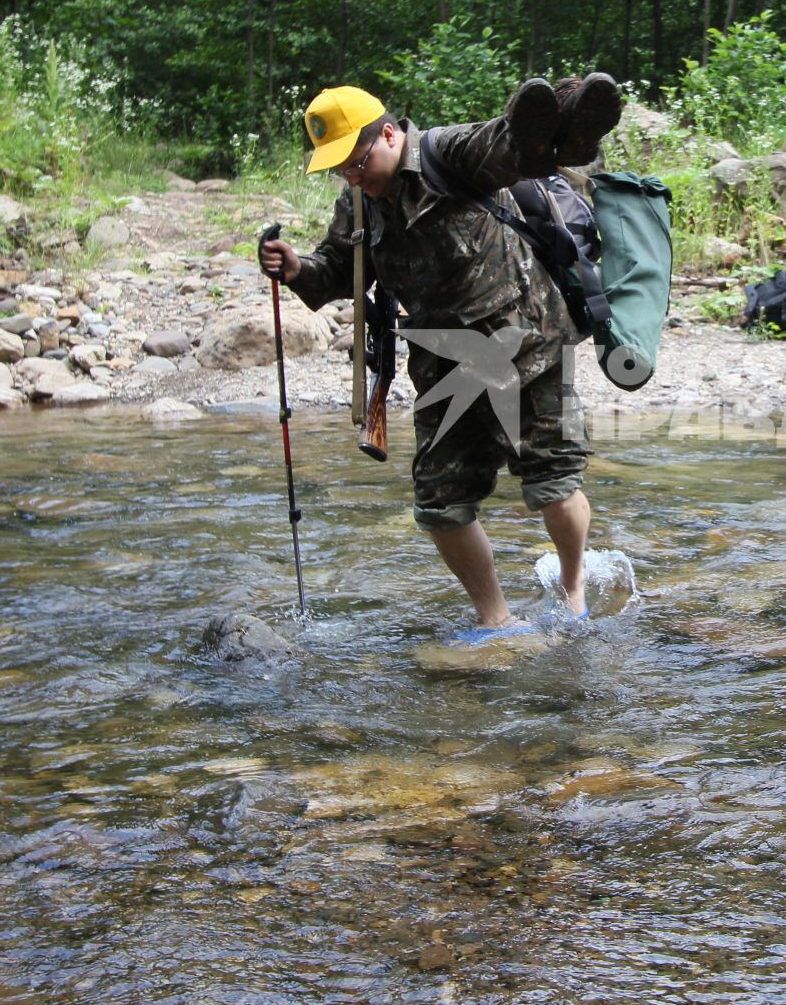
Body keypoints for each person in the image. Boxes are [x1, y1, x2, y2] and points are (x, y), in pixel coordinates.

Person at [258, 75, 623, 641]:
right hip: (443, 364)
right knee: (440, 502)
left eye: (356, 162)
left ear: (386, 135)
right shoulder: (357, 202)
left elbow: (505, 147)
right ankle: (496, 619)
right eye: (338, 168)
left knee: (551, 481)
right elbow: (336, 271)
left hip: (525, 344)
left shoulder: (445, 153)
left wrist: (541, 131)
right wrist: (296, 267)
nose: (351, 177)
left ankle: (574, 590)